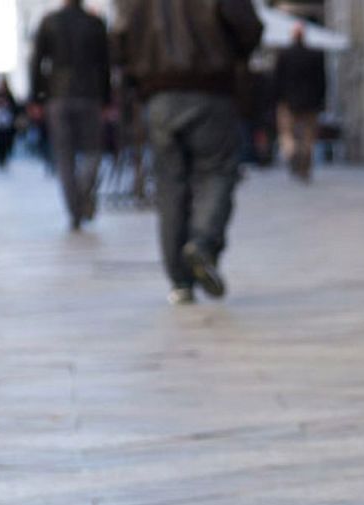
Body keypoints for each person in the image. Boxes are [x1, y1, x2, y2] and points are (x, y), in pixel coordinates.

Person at [113, 0, 263, 306]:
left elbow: (119, 39)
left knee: (170, 186)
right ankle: (202, 242)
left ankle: (180, 281)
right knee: (217, 172)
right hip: (212, 88)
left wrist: (136, 75)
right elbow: (249, 28)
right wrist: (233, 53)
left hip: (159, 94)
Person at [30, 0, 111, 232]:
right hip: (90, 94)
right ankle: (83, 196)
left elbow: (37, 62)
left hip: (58, 95)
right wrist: (106, 99)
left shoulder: (49, 22)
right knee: (92, 152)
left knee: (64, 156)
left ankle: (74, 208)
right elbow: (104, 64)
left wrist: (37, 98)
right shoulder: (94, 23)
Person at [273, 22, 326, 182]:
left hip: (288, 102)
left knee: (287, 134)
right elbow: (322, 81)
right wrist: (320, 100)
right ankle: (304, 163)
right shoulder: (315, 55)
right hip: (311, 103)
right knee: (308, 137)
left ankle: (293, 155)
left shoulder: (283, 55)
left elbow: (277, 80)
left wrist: (278, 99)